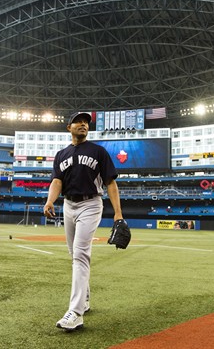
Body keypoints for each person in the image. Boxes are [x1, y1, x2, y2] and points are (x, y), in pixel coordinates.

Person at [43, 111, 124, 332]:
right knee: (74, 255)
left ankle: (76, 313)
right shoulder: (61, 154)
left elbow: (110, 183)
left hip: (91, 204)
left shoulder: (98, 151)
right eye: (78, 121)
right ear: (68, 127)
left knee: (80, 254)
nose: (83, 124)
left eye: (86, 122)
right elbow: (57, 181)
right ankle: (85, 300)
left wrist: (118, 213)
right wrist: (50, 201)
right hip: (68, 205)